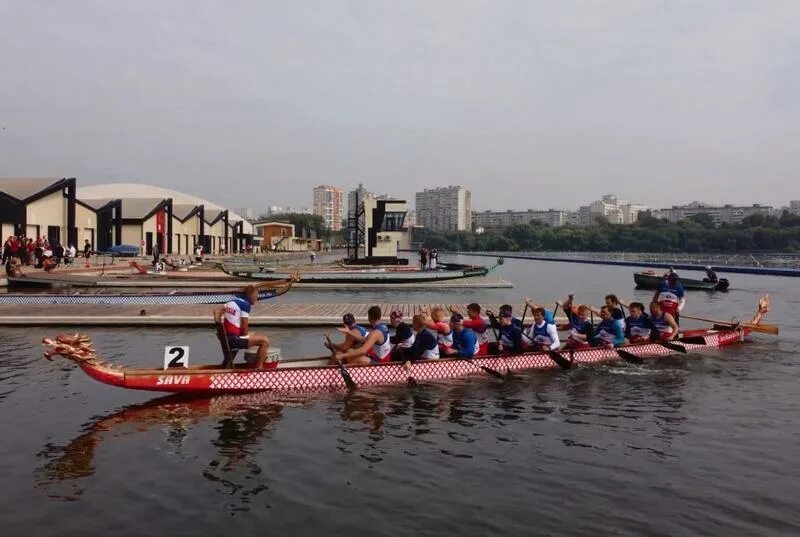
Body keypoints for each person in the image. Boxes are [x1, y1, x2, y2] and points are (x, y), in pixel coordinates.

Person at [213, 285, 271, 368]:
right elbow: (244, 323)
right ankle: (259, 369)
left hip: (228, 337)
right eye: (255, 296)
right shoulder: (245, 305)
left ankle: (226, 365)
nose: (257, 298)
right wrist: (246, 336)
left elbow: (216, 311)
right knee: (265, 341)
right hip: (234, 340)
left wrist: (218, 325)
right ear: (250, 295)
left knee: (254, 334)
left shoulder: (232, 302)